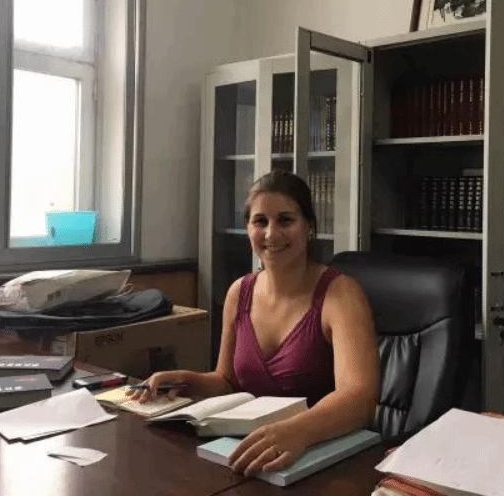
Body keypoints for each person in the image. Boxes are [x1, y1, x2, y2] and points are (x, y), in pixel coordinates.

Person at [126, 169, 380, 476]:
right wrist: (184, 380)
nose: (271, 234)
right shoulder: (239, 292)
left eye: (285, 220)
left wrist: (296, 431)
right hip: (255, 454)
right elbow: (228, 381)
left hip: (321, 458)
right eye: (260, 222)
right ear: (248, 228)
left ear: (309, 226)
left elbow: (360, 398)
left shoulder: (341, 294)